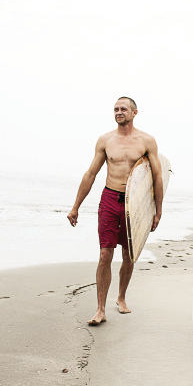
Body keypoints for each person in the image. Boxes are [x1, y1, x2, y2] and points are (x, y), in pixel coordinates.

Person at [67, 97, 162, 326]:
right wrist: (75, 206)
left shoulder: (147, 141)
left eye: (123, 109)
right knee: (105, 254)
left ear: (134, 112)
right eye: (116, 109)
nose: (119, 112)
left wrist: (158, 210)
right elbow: (91, 173)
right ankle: (100, 309)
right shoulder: (105, 140)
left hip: (135, 204)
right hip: (109, 199)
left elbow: (158, 176)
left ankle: (121, 297)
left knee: (129, 255)